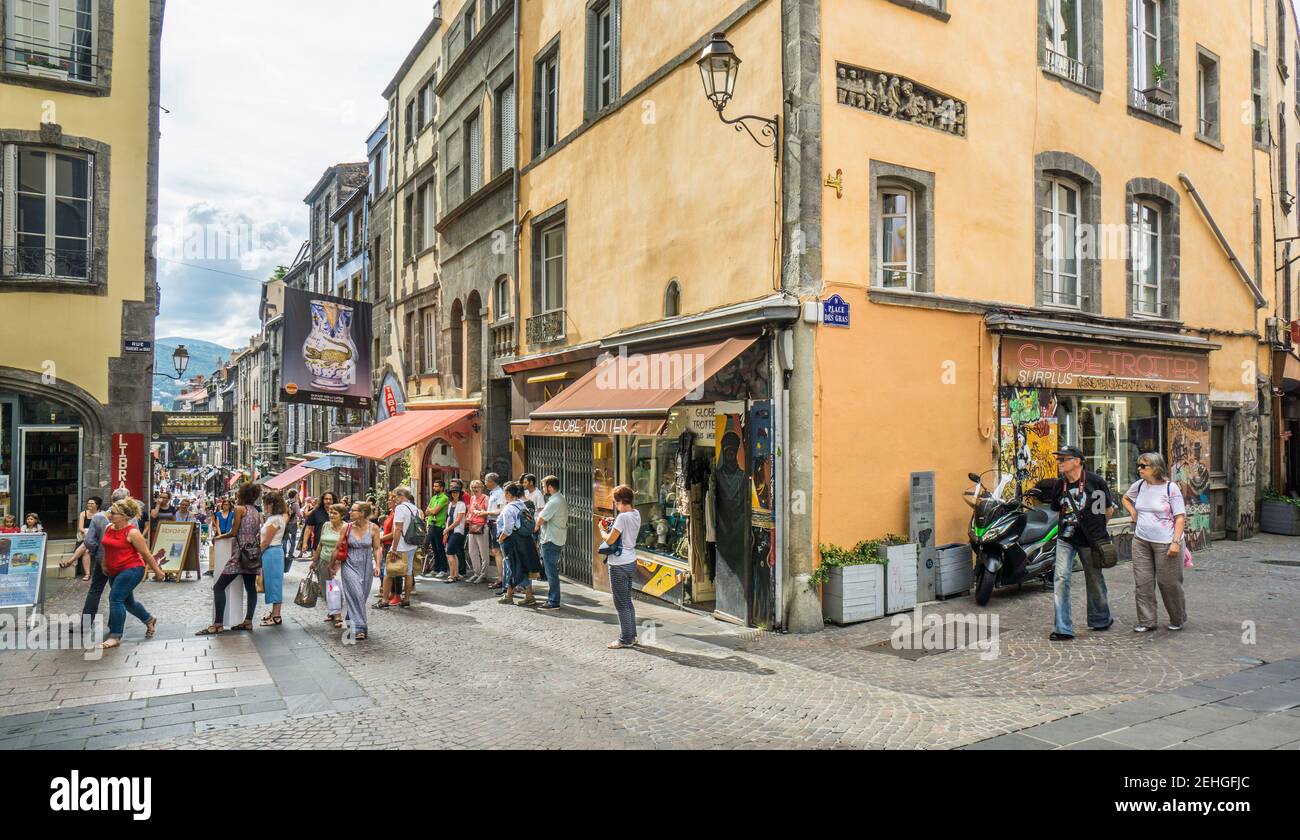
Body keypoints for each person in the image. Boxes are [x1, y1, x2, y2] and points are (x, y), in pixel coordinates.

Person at [1034, 446, 1116, 641]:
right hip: (1066, 538)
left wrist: (1098, 530)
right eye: (1058, 459)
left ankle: (1100, 618)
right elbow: (1057, 509)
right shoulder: (1059, 485)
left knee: (1094, 578)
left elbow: (1108, 509)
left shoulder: (1095, 482)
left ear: (1077, 461)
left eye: (1064, 459)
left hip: (1089, 540)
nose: (1059, 462)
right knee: (1060, 578)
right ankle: (1063, 628)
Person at [1122, 452, 1188, 632]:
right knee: (1142, 583)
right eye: (1139, 465)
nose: (1139, 469)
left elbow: (1180, 518)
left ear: (1156, 468)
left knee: (1169, 583)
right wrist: (1133, 512)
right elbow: (1125, 498)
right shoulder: (1140, 485)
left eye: (1144, 466)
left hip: (1166, 542)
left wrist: (1175, 542)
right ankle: (1146, 621)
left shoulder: (1170, 488)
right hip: (1141, 540)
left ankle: (1177, 618)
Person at [196, 482, 263, 635]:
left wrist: (219, 537)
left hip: (239, 553)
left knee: (219, 587)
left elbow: (234, 532)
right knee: (250, 588)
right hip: (252, 552)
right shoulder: (256, 511)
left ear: (242, 494)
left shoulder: (240, 509)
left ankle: (218, 623)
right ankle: (248, 621)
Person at [99, 497, 165, 650]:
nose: (110, 515)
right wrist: (104, 563)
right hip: (113, 570)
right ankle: (149, 620)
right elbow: (106, 548)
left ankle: (115, 636)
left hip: (132, 569)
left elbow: (147, 554)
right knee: (128, 602)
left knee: (115, 599)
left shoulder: (133, 533)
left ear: (124, 516)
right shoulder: (109, 527)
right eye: (111, 512)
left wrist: (157, 571)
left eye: (114, 513)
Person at [333, 501, 384, 641]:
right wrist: (332, 565)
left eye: (353, 510)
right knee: (356, 593)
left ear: (362, 513)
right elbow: (338, 547)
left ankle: (350, 618)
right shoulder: (346, 527)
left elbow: (377, 548)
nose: (350, 512)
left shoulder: (373, 528)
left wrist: (378, 565)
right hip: (349, 564)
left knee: (361, 595)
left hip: (366, 565)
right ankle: (360, 627)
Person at [599, 485, 641, 649]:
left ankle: (625, 639)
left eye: (615, 503)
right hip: (631, 561)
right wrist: (613, 523)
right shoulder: (636, 514)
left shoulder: (622, 518)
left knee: (621, 603)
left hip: (619, 564)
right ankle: (632, 635)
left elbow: (609, 540)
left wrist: (602, 529)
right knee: (627, 601)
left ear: (620, 501)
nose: (615, 506)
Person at [498, 483, 541, 606]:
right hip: (525, 540)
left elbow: (508, 529)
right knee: (521, 567)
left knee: (513, 567)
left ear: (508, 494)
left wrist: (500, 539)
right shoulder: (522, 505)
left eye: (505, 493)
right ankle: (524, 596)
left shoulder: (508, 508)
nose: (504, 495)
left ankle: (511, 596)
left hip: (512, 541)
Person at [535, 476, 568, 610]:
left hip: (551, 539)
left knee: (551, 572)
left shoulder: (554, 501)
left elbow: (540, 520)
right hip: (556, 538)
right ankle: (553, 599)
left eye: (544, 486)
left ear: (550, 487)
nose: (543, 488)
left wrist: (535, 528)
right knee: (551, 570)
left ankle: (553, 601)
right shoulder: (560, 498)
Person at [387, 486, 422, 607]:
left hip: (401, 545)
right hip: (412, 543)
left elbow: (398, 529)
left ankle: (385, 600)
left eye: (395, 495)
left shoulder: (400, 508)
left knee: (389, 573)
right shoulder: (415, 508)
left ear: (401, 496)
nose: (394, 498)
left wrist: (394, 548)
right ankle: (406, 599)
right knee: (408, 572)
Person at [259, 491, 288, 627]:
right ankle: (274, 613)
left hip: (272, 552)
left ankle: (276, 615)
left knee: (274, 583)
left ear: (271, 504)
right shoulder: (274, 518)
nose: (264, 506)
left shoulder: (275, 519)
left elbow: (266, 541)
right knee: (271, 582)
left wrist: (257, 553)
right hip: (272, 552)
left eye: (266, 503)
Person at [420, 480, 450, 580]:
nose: (434, 488)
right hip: (431, 525)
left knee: (440, 548)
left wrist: (431, 511)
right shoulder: (433, 498)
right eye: (434, 486)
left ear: (441, 488)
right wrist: (431, 512)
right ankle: (436, 569)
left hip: (439, 525)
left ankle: (443, 569)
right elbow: (427, 511)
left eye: (436, 486)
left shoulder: (444, 498)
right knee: (434, 548)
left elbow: (434, 511)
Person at [465, 479, 492, 585]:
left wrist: (479, 508)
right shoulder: (472, 498)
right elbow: (470, 512)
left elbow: (488, 514)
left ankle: (483, 574)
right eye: (473, 487)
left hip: (482, 527)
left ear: (482, 487)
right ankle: (476, 573)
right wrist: (468, 517)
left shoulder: (486, 498)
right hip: (472, 526)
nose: (475, 489)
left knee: (483, 552)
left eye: (477, 487)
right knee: (472, 551)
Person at [484, 473, 507, 592]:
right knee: (496, 551)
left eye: (486, 480)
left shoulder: (499, 493)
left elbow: (500, 509)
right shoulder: (493, 492)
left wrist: (486, 513)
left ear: (492, 481)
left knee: (497, 551)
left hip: (495, 524)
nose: (485, 483)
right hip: (492, 523)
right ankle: (501, 578)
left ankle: (501, 579)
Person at [443, 485, 469, 583]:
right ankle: (456, 574)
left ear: (460, 494)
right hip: (450, 531)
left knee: (449, 553)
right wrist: (446, 530)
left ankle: (452, 576)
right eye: (453, 492)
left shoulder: (461, 504)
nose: (455, 494)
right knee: (453, 554)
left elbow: (458, 521)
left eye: (457, 492)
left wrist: (447, 529)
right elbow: (449, 518)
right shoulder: (450, 504)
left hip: (457, 531)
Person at [302, 492, 337, 563]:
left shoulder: (338, 512)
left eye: (330, 499)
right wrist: (304, 543)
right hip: (318, 545)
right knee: (319, 569)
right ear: (322, 500)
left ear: (334, 500)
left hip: (334, 546)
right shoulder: (316, 512)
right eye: (326, 499)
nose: (328, 501)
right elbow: (308, 527)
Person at [75, 496, 102, 580]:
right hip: (85, 535)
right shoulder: (84, 513)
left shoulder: (102, 514)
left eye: (92, 503)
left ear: (97, 505)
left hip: (97, 537)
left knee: (86, 549)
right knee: (87, 549)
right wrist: (88, 533)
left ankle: (71, 561)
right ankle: (87, 574)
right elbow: (80, 528)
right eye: (88, 503)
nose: (89, 505)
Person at [283, 489, 302, 570]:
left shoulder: (286, 502)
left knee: (285, 539)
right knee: (293, 540)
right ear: (295, 495)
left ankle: (284, 553)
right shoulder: (296, 504)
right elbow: (299, 514)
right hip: (293, 523)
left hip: (286, 523)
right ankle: (291, 554)